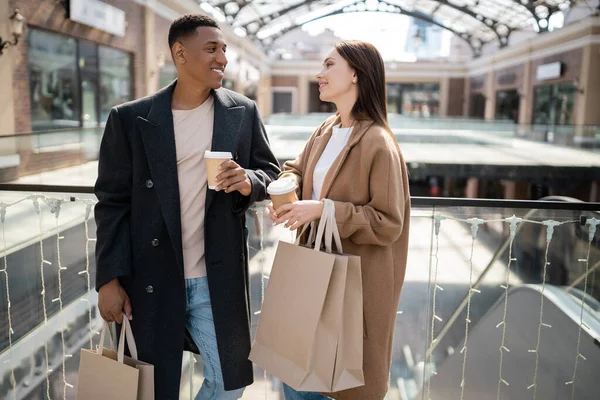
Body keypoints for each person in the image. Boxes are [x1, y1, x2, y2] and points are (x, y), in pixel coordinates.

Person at [94, 14, 280, 400]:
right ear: (180, 53)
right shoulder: (130, 119)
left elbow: (270, 172)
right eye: (211, 49)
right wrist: (109, 278)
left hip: (216, 278)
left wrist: (248, 180)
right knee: (152, 388)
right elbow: (111, 204)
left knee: (231, 382)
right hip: (150, 277)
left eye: (224, 49)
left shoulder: (241, 112)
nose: (223, 59)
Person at [268, 40, 411, 400]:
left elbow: (389, 222)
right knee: (295, 371)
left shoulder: (379, 142)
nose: (320, 73)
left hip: (353, 287)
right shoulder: (326, 130)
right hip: (314, 273)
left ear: (355, 74)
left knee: (338, 383)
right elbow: (297, 169)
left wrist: (323, 209)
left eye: (329, 65)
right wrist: (287, 193)